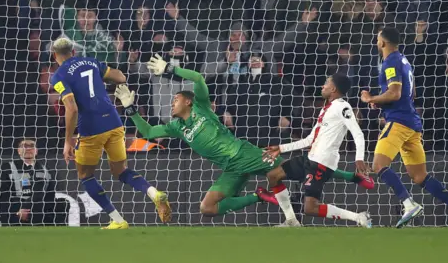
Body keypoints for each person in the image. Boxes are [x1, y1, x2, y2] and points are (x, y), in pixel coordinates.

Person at [114, 55, 374, 219]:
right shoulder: (175, 127)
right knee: (207, 209)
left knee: (301, 166)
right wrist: (130, 108)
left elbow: (197, 78)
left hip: (243, 154)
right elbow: (148, 132)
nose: (172, 103)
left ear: (189, 102)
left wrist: (171, 69)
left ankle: (352, 177)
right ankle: (259, 196)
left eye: (176, 99)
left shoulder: (202, 107)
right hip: (230, 168)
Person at [360, 27, 448, 229]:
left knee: (378, 165)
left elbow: (395, 94)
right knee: (420, 176)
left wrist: (371, 98)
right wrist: (381, 102)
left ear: (382, 43)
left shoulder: (391, 62)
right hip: (412, 123)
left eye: (378, 39)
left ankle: (408, 204)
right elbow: (410, 94)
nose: (377, 42)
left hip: (399, 121)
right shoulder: (404, 61)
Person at [50, 38, 170, 229]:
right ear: (73, 52)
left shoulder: (58, 75)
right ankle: (153, 193)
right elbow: (121, 78)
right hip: (114, 123)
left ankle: (118, 220)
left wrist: (67, 141)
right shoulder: (91, 61)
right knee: (121, 171)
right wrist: (101, 77)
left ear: (54, 55)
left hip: (90, 129)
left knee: (86, 176)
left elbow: (71, 108)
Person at [260, 74, 372, 228]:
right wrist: (281, 148)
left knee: (310, 208)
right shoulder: (326, 109)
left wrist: (359, 158)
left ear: (333, 89)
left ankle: (358, 217)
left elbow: (358, 133)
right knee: (273, 176)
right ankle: (291, 221)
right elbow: (309, 140)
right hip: (310, 158)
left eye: (326, 83)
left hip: (321, 163)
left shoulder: (343, 107)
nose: (322, 86)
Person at [0, 138, 68, 226]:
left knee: (63, 203)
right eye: (24, 146)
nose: (28, 149)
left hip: (39, 209)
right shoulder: (7, 168)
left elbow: (50, 196)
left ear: (36, 151)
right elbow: (1, 197)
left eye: (31, 146)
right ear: (19, 151)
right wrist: (16, 213)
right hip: (17, 208)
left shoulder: (45, 170)